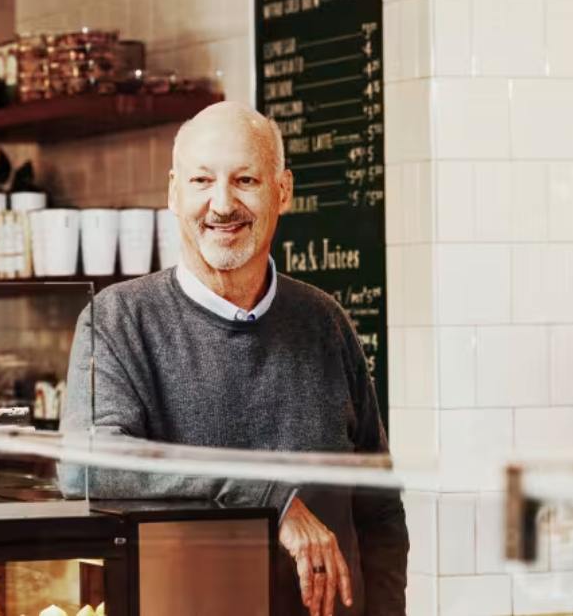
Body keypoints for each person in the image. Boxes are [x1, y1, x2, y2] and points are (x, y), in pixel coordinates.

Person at [60, 101, 408, 616]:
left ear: (282, 191)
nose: (222, 205)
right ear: (174, 194)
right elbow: (87, 468)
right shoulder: (117, 320)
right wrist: (269, 496)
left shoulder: (325, 321)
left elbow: (378, 510)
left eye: (245, 179)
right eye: (202, 181)